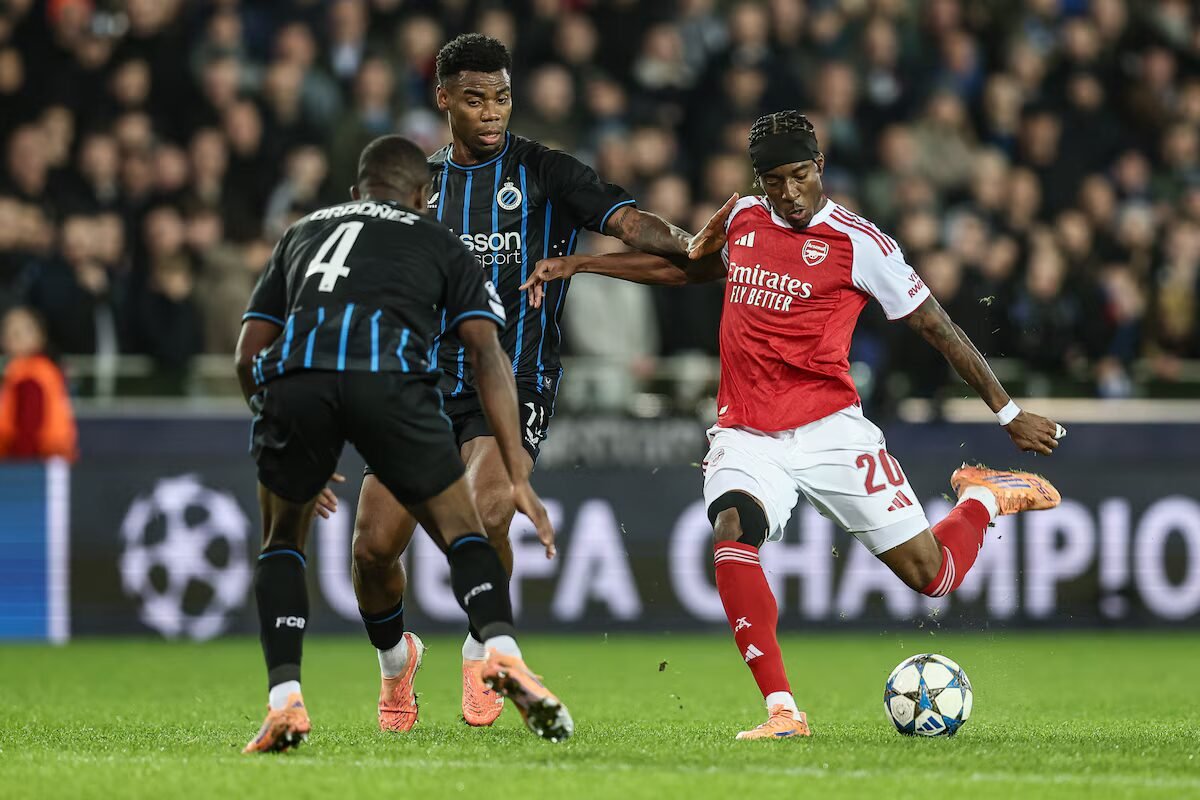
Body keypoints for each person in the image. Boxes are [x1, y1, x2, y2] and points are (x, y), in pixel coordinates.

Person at [522, 111, 1066, 740]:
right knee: (731, 529)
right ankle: (783, 710)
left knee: (933, 577)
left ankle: (981, 497)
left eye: (799, 176)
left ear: (820, 169)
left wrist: (1007, 412)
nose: (788, 192)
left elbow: (935, 326)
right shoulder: (744, 217)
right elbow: (694, 267)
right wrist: (583, 266)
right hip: (747, 433)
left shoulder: (861, 243)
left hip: (832, 428)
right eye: (773, 180)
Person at [350, 33, 699, 732]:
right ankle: (396, 662)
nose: (492, 112)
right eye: (475, 98)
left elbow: (627, 219)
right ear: (444, 98)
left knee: (484, 512)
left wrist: (690, 244)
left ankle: (483, 649)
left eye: (502, 96)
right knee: (371, 547)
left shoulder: (545, 172)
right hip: (420, 385)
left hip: (514, 381)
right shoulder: (420, 187)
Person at [234, 134, 571, 753]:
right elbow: (487, 350)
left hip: (298, 385)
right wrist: (522, 467)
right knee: (439, 533)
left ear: (356, 192)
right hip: (391, 388)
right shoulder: (439, 239)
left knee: (282, 543)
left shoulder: (303, 230)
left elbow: (249, 350)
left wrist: (281, 428)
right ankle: (489, 650)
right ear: (425, 195)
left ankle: (285, 700)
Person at [0, 306, 77, 462]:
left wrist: (20, 468)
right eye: (8, 331)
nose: (13, 337)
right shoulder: (25, 371)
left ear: (40, 336)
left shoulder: (32, 374)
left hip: (35, 465)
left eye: (20, 332)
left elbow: (28, 429)